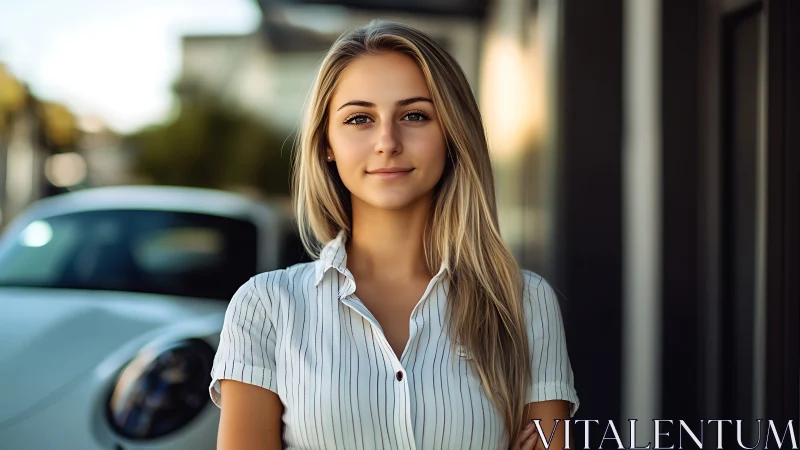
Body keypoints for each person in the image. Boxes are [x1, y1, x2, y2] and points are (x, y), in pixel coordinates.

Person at [209, 21, 579, 450]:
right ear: (326, 143)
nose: (387, 141)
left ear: (452, 135)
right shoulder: (266, 306)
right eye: (360, 118)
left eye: (415, 115)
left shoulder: (523, 303)